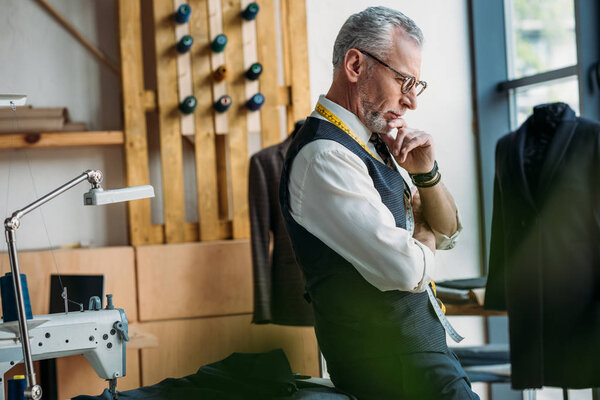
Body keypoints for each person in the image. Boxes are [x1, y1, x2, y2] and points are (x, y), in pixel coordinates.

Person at [279, 6, 479, 399]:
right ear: (355, 64)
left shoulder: (371, 144)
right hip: (390, 366)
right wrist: (421, 230)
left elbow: (450, 229)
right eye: (404, 80)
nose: (411, 102)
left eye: (416, 86)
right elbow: (407, 269)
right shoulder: (325, 155)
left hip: (415, 357)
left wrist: (426, 173)